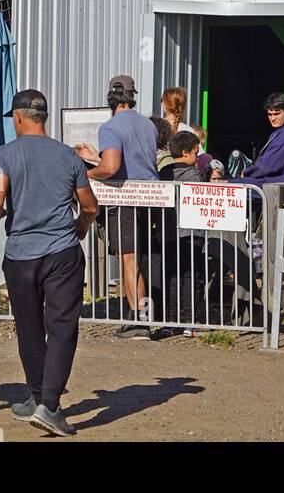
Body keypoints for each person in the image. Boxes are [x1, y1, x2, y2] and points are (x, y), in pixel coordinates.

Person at [0, 88, 98, 437]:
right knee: (62, 326)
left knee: (29, 327)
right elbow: (90, 206)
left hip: (21, 255)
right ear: (43, 118)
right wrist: (80, 227)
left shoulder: (4, 155)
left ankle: (40, 398)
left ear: (19, 117)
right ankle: (47, 404)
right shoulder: (69, 157)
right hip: (62, 252)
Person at [77, 75, 159, 338]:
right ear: (132, 96)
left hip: (125, 201)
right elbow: (135, 160)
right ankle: (142, 317)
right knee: (139, 259)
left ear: (111, 97)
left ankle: (139, 321)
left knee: (129, 259)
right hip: (151, 198)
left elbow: (111, 167)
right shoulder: (148, 125)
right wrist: (97, 157)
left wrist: (86, 174)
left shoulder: (110, 127)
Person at [159, 130, 208, 333]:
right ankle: (189, 320)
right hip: (191, 233)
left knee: (172, 276)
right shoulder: (193, 175)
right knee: (191, 276)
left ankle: (170, 320)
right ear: (187, 153)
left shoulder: (163, 173)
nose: (197, 157)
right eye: (196, 153)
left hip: (168, 232)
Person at [242, 93, 284, 185]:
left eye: (277, 114)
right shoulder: (281, 133)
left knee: (231, 184)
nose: (273, 118)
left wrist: (246, 172)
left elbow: (266, 166)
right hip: (274, 184)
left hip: (277, 187)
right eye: (270, 114)